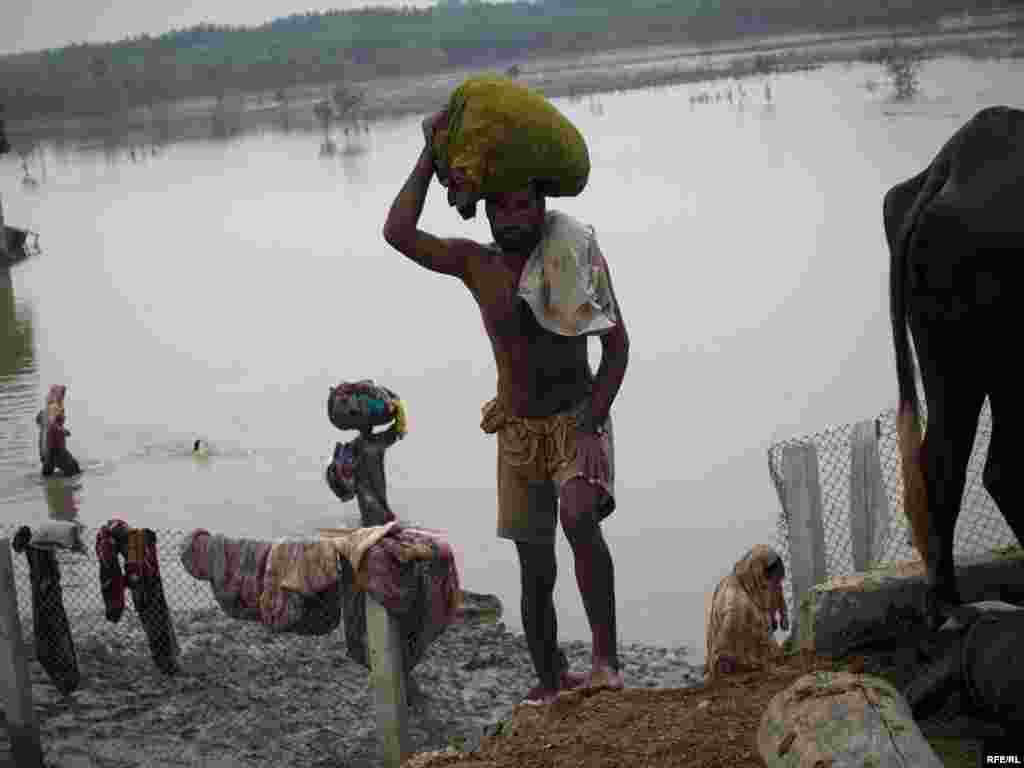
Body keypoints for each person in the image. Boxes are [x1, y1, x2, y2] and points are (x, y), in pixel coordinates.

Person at [382, 109, 630, 705]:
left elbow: (616, 348)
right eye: (503, 207)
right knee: (534, 564)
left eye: (526, 206)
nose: (515, 218)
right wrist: (428, 155)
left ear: (543, 203)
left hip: (576, 419)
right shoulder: (478, 264)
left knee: (579, 519)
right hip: (517, 432)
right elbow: (397, 231)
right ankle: (550, 679)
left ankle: (606, 661)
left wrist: (594, 420)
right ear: (487, 209)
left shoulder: (573, 252)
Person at [705, 544, 787, 680]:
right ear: (759, 574)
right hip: (734, 667)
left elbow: (776, 588)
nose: (773, 587)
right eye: (769, 583)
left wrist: (779, 614)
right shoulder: (737, 601)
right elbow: (724, 648)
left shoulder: (752, 582)